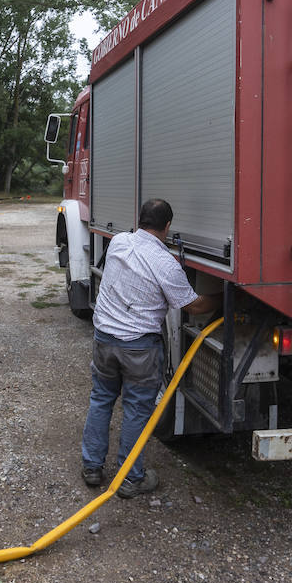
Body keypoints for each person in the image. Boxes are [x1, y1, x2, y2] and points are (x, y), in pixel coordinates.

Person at [81, 198, 221, 498]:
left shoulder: (119, 241)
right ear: (167, 227)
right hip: (138, 348)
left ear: (139, 219)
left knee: (101, 398)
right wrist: (222, 300)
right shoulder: (165, 264)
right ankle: (131, 478)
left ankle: (92, 467)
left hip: (104, 338)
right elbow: (193, 306)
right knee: (136, 409)